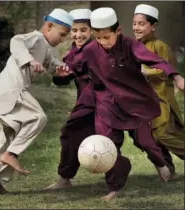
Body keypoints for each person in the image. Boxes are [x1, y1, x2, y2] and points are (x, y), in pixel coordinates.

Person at [68, 7, 185, 201]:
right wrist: (65, 71)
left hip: (134, 101)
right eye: (98, 38)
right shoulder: (90, 50)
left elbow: (156, 60)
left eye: (107, 37)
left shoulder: (131, 45)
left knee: (146, 141)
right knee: (107, 143)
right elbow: (76, 66)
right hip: (107, 103)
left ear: (118, 31)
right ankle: (115, 186)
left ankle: (160, 162)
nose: (103, 43)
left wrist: (177, 76)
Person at [0, 8, 73, 194]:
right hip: (13, 89)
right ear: (49, 26)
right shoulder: (35, 38)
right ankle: (12, 154)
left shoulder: (46, 48)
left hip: (7, 91)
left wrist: (60, 68)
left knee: (5, 136)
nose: (63, 39)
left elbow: (51, 62)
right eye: (62, 34)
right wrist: (30, 61)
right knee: (38, 117)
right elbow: (16, 41)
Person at [45, 8, 96, 190]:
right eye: (74, 30)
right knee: (72, 136)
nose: (78, 35)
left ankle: (162, 164)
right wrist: (59, 74)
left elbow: (76, 67)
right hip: (86, 104)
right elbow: (64, 79)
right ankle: (65, 178)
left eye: (83, 30)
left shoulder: (94, 49)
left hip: (102, 103)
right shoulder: (73, 51)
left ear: (92, 31)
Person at [132, 4, 185, 178]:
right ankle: (168, 170)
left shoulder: (159, 46)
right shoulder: (134, 46)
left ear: (153, 26)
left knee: (163, 134)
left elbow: (166, 70)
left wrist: (146, 72)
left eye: (141, 24)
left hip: (162, 99)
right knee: (150, 137)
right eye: (134, 23)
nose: (136, 28)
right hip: (146, 103)